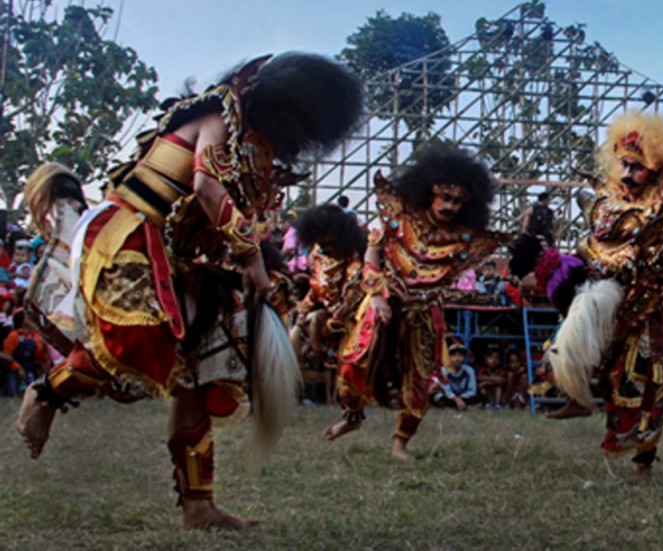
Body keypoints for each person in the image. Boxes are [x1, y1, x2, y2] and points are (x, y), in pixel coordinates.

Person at [14, 53, 363, 529]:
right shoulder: (221, 114)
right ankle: (46, 394)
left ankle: (198, 506)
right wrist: (252, 259)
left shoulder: (259, 156)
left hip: (167, 254)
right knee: (138, 339)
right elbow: (205, 188)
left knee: (208, 367)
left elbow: (219, 226)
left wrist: (250, 277)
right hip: (126, 232)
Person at [548, 111, 663, 481]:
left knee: (646, 383)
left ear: (653, 171)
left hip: (652, 310)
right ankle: (576, 393)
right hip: (611, 301)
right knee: (573, 345)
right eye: (623, 164)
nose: (627, 174)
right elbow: (592, 246)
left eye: (637, 167)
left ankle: (643, 463)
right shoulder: (605, 204)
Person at [325, 144, 505, 461]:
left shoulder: (464, 240)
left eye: (457, 201)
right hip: (383, 296)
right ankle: (352, 416)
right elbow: (371, 256)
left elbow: (451, 278)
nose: (449, 206)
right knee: (354, 360)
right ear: (430, 191)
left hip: (423, 313)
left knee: (421, 378)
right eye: (445, 197)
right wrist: (378, 295)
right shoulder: (398, 215)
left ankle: (400, 444)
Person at [292, 205, 367, 400]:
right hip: (326, 314)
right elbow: (317, 288)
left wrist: (336, 321)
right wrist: (302, 310)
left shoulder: (354, 257)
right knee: (304, 325)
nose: (325, 250)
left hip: (354, 315)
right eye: (320, 243)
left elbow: (353, 293)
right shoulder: (317, 255)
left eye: (329, 244)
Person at [431, 343, 479, 410]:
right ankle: (455, 404)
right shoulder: (444, 370)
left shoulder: (469, 370)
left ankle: (455, 404)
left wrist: (460, 397)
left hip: (463, 395)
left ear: (464, 357)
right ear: (450, 357)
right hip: (449, 396)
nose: (457, 358)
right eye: (454, 355)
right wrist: (455, 399)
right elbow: (446, 389)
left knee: (477, 397)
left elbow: (472, 390)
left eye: (460, 355)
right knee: (436, 396)